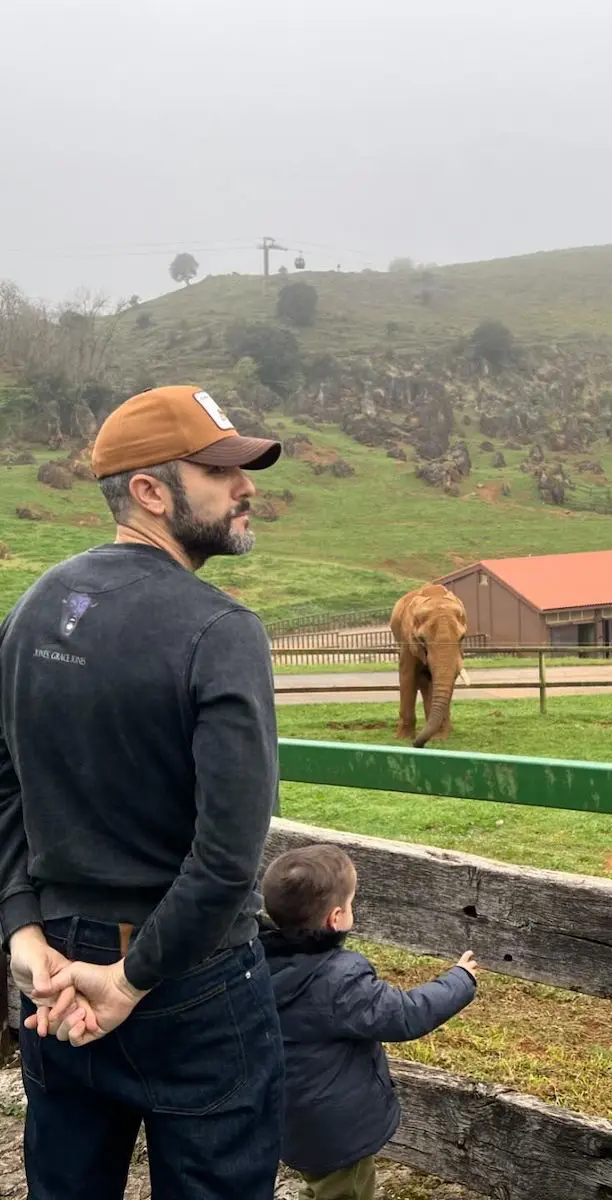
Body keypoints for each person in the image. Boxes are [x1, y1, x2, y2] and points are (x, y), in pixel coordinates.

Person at [0, 384, 286, 1199]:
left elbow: (2, 787)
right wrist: (130, 982)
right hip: (189, 981)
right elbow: (230, 856)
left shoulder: (33, 610)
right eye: (221, 471)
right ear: (152, 494)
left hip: (54, 970)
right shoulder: (221, 631)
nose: (246, 486)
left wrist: (23, 933)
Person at [259, 843, 479, 1200]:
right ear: (335, 918)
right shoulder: (338, 980)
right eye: (350, 903)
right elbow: (406, 1014)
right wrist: (459, 980)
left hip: (290, 1115)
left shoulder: (256, 958)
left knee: (323, 1187)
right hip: (337, 1130)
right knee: (348, 1191)